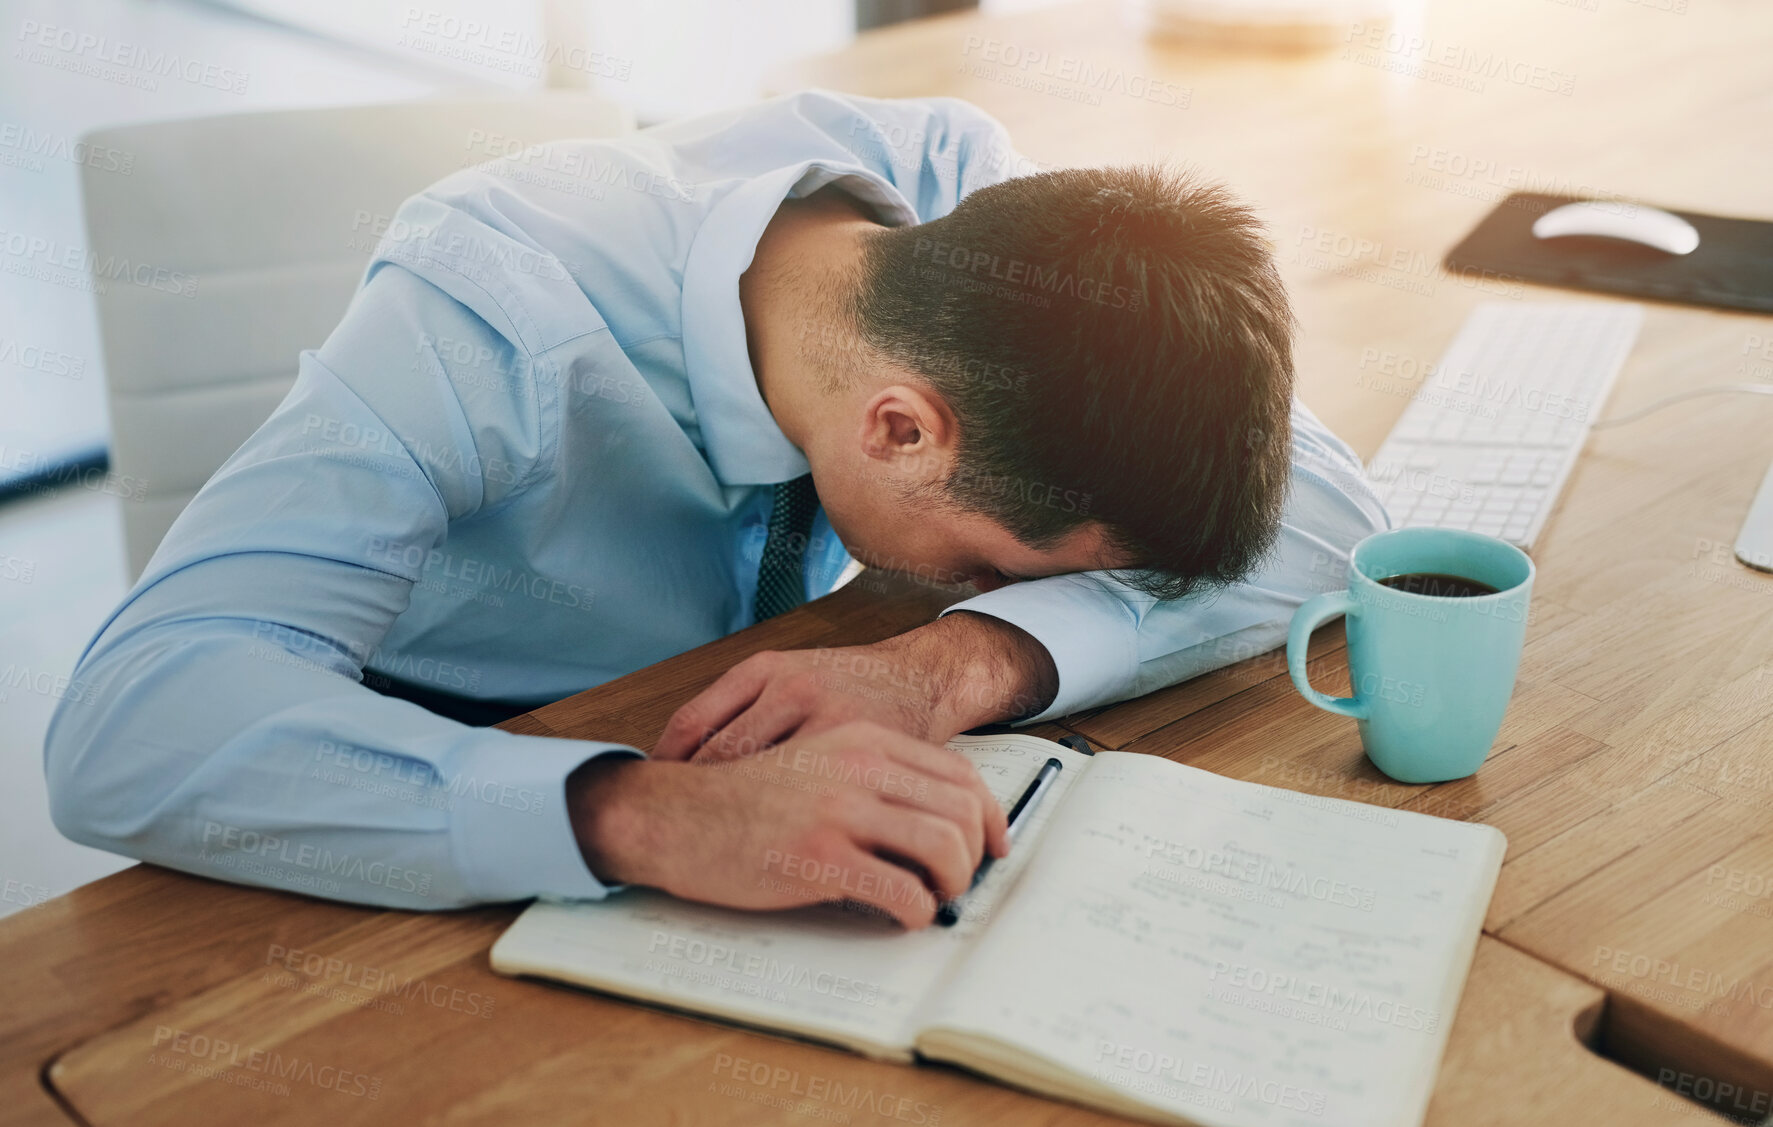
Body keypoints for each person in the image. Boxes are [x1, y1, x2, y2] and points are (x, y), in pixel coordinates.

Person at [45, 90, 1386, 928]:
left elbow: (1335, 518)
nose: (988, 589)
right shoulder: (478, 323)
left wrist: (948, 663)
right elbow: (130, 727)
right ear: (899, 428)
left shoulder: (961, 194)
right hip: (468, 767)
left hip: (775, 715)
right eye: (983, 568)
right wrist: (652, 816)